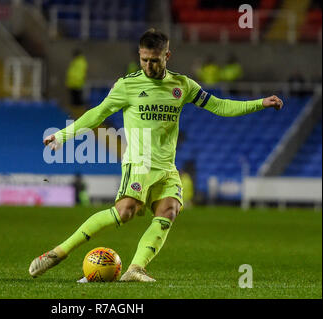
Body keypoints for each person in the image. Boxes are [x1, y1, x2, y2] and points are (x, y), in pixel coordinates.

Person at [29, 29, 283, 282]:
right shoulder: (127, 85)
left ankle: (135, 268)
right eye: (144, 59)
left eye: (154, 60)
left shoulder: (182, 85)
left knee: (169, 211)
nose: (149, 65)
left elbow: (219, 105)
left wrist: (259, 103)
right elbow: (97, 114)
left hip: (166, 167)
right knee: (125, 211)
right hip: (139, 163)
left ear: (167, 56)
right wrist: (62, 135)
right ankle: (57, 253)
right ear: (139, 56)